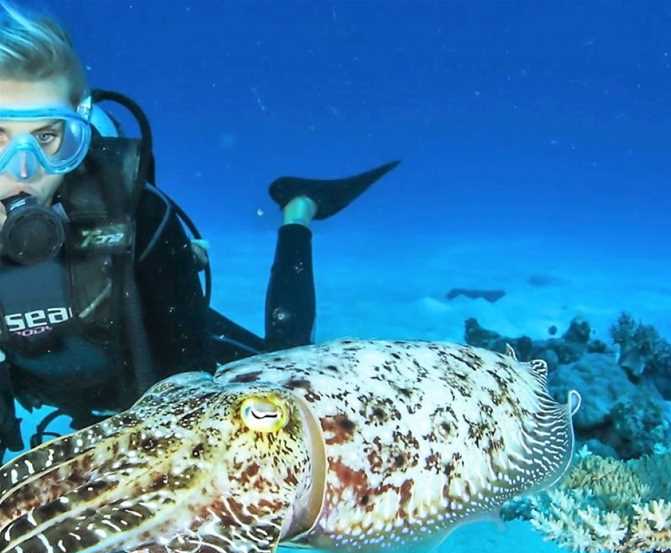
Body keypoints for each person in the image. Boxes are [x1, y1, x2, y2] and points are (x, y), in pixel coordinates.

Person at [0, 2, 398, 458]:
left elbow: (185, 381)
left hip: (153, 364)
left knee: (290, 378)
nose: (25, 171)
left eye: (50, 137)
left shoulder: (136, 214)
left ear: (79, 134)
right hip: (49, 382)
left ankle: (298, 210)